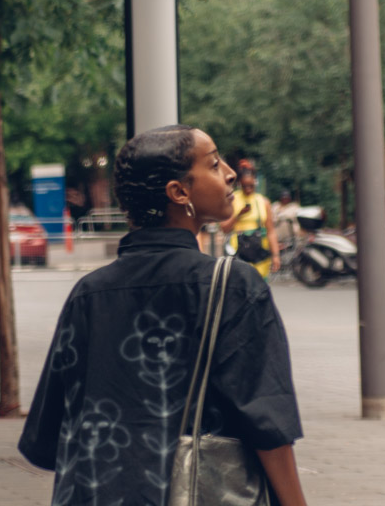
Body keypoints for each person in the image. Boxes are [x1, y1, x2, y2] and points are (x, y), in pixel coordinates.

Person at [21, 126, 309, 506]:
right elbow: (268, 424)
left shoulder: (88, 295)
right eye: (213, 163)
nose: (230, 173)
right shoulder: (232, 286)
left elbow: (46, 440)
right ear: (179, 193)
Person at [228, 162, 275, 277]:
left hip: (259, 251)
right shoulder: (233, 199)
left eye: (251, 185)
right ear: (239, 183)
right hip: (239, 251)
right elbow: (224, 228)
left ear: (255, 181)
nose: (248, 189)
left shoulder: (263, 201)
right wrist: (239, 215)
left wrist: (276, 255)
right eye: (245, 186)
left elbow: (271, 231)